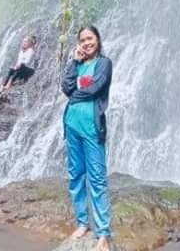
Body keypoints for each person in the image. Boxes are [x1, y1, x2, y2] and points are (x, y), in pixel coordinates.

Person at [61, 25, 113, 251]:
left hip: (92, 128)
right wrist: (73, 61)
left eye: (90, 38)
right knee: (75, 177)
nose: (86, 43)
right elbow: (65, 86)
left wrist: (73, 96)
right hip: (71, 126)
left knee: (97, 179)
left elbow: (94, 88)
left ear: (98, 40)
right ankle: (82, 223)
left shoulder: (103, 64)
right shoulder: (78, 65)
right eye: (82, 40)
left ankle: (103, 233)